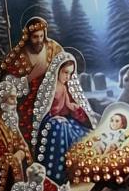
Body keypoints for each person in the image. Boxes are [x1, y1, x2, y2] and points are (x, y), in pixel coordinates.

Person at [31, 52, 94, 183]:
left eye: (70, 73)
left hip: (63, 120)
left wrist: (74, 107)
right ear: (57, 70)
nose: (68, 76)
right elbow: (44, 110)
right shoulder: (50, 88)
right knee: (61, 127)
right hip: (50, 122)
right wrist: (53, 118)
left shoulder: (64, 88)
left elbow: (66, 104)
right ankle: (58, 173)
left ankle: (75, 169)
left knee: (83, 134)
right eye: (65, 72)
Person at [0, 17, 63, 142]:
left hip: (52, 98)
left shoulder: (53, 48)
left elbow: (64, 67)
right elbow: (6, 83)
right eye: (35, 37)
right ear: (28, 37)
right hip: (27, 103)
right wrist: (29, 78)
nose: (39, 40)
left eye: (41, 36)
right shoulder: (19, 55)